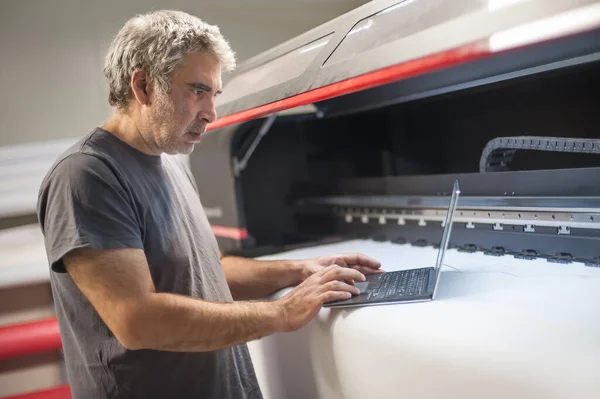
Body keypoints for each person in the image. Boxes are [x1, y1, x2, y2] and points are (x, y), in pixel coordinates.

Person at [36, 9, 382, 399]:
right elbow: (137, 319)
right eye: (197, 91)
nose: (211, 113)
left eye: (214, 94)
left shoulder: (170, 162)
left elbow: (207, 272)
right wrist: (282, 313)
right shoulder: (86, 175)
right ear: (144, 86)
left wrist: (298, 271)